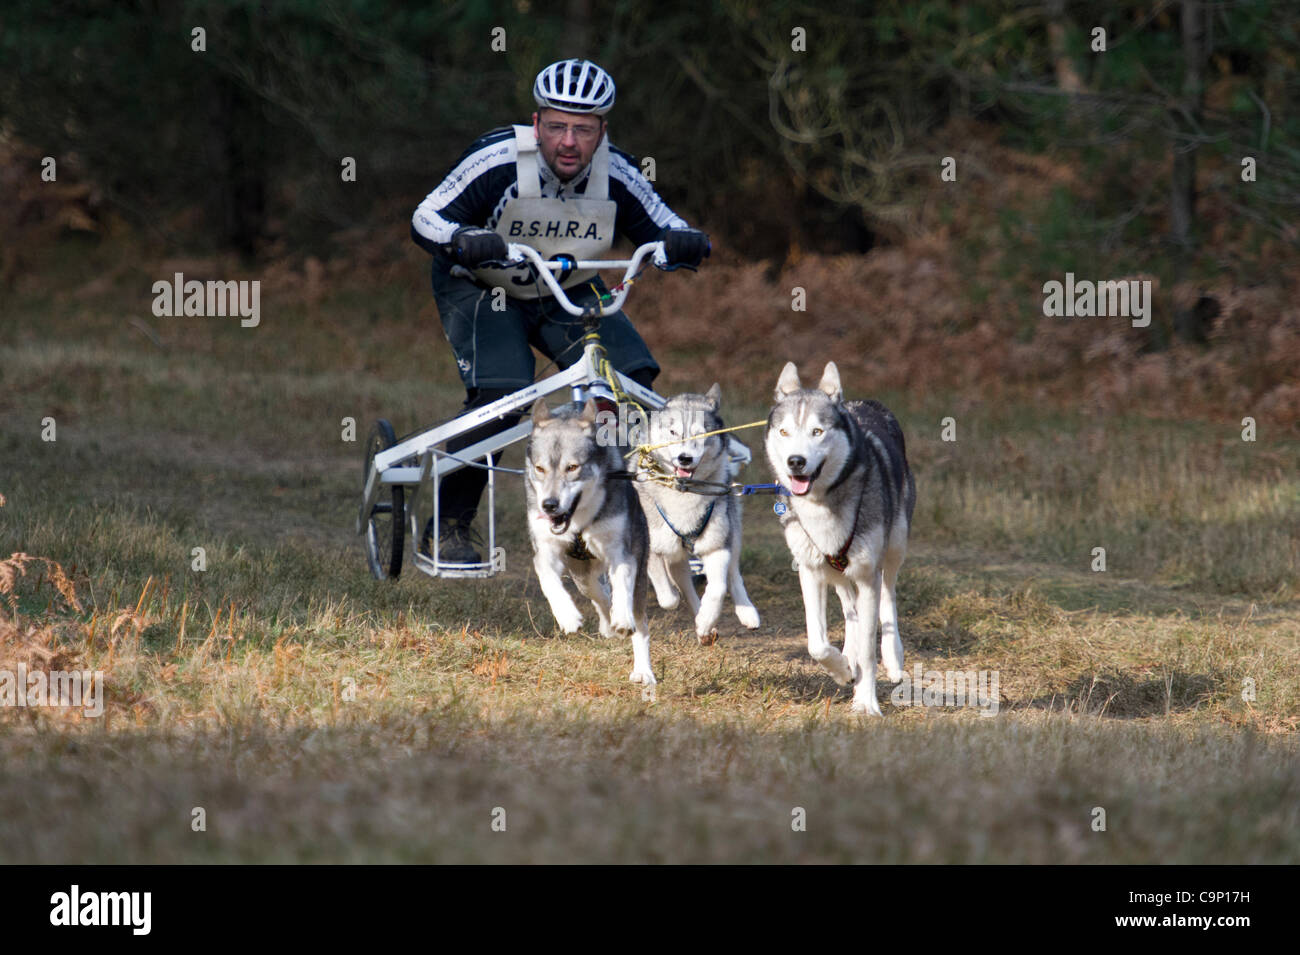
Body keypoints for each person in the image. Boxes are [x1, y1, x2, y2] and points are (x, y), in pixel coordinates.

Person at [411, 58, 710, 563]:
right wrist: (463, 238)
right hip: (483, 288)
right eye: (556, 126)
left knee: (631, 385)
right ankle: (450, 527)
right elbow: (426, 217)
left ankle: (663, 530)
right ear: (536, 124)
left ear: (602, 131)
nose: (568, 142)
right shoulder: (498, 161)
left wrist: (682, 242)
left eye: (582, 129)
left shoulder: (618, 171)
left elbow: (663, 223)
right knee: (502, 397)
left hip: (566, 288)